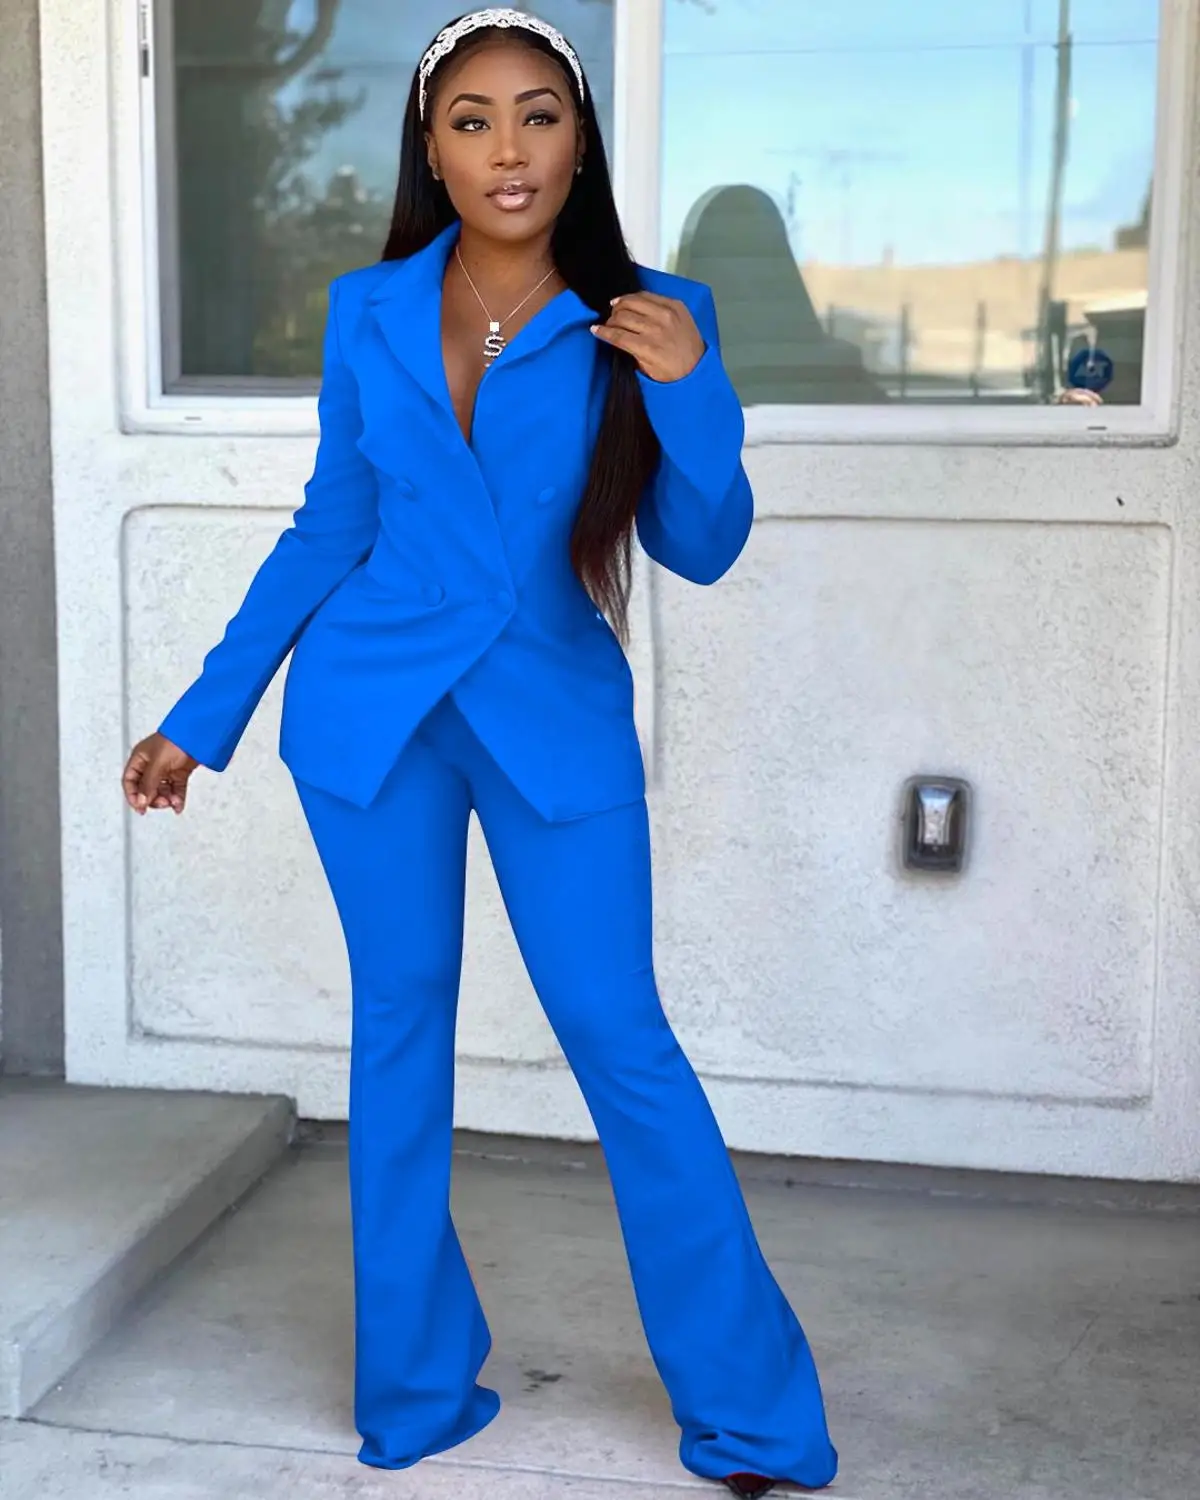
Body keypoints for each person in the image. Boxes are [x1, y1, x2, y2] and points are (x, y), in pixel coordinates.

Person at [120, 10, 838, 1496]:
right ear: (432, 151)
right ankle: (415, 1392)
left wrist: (694, 389)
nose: (507, 149)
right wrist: (203, 716)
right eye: (471, 120)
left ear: (578, 141)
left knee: (620, 1039)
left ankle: (754, 1415)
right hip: (369, 719)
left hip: (549, 721)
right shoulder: (369, 310)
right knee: (399, 1033)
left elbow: (702, 546)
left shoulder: (654, 311)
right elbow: (331, 525)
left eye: (537, 116)